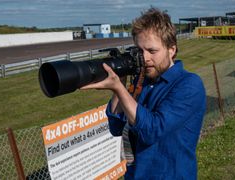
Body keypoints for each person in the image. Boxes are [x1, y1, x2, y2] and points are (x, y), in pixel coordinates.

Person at [81, 7, 206, 179]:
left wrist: (119, 88)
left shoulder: (189, 84)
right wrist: (119, 84)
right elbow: (116, 128)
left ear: (172, 50)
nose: (145, 58)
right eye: (140, 51)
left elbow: (151, 131)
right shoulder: (142, 83)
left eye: (152, 51)